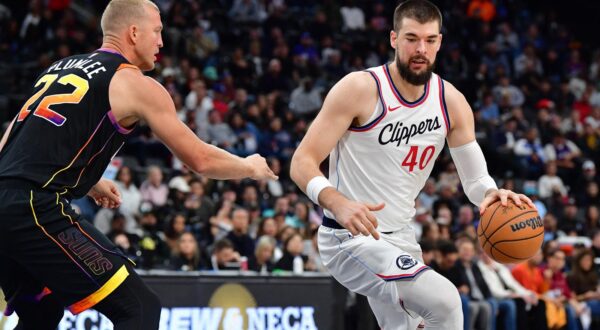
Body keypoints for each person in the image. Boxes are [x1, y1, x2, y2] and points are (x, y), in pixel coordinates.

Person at [0, 0, 277, 329]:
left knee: (41, 313)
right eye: (157, 31)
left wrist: (88, 180)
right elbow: (199, 159)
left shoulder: (60, 67)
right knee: (139, 308)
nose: (161, 42)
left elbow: (9, 149)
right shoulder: (133, 82)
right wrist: (250, 166)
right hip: (33, 208)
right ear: (133, 32)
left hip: (9, 204)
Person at [290, 1, 533, 329]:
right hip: (349, 238)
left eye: (430, 40)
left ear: (439, 43)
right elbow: (301, 161)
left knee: (411, 326)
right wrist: (337, 201)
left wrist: (491, 195)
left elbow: (476, 181)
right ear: (393, 39)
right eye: (411, 38)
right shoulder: (360, 89)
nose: (421, 49)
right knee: (446, 301)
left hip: (401, 238)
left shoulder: (451, 102)